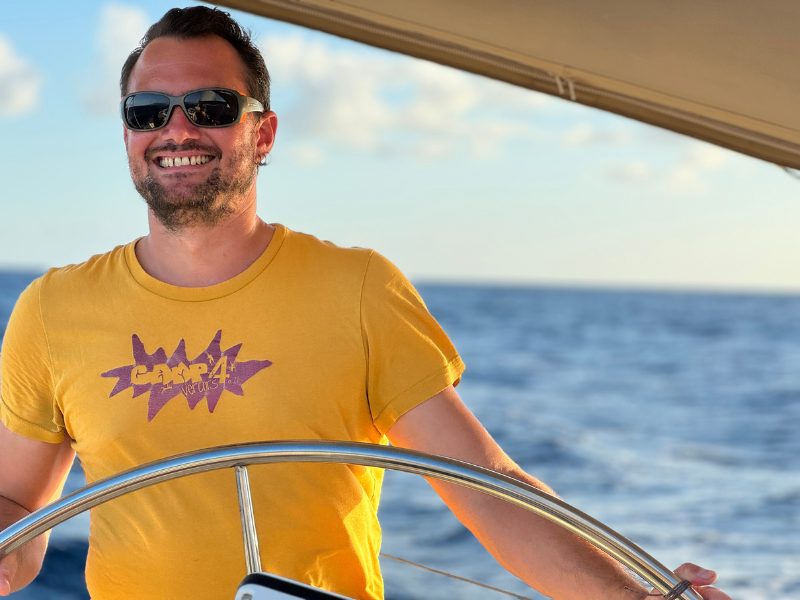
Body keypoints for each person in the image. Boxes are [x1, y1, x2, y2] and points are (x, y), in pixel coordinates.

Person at [0, 7, 731, 600]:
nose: (178, 130)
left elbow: (488, 490)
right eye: (149, 111)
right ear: (127, 132)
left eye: (212, 106)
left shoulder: (358, 290)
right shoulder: (52, 309)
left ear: (264, 133)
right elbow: (19, 511)